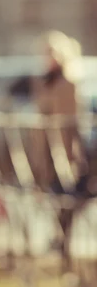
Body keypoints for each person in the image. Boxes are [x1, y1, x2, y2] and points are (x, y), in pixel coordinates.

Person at [29, 31, 89, 266]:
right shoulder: (46, 80)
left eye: (51, 53)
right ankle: (59, 239)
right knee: (55, 196)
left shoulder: (67, 82)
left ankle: (63, 241)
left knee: (66, 195)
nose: (47, 58)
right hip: (46, 147)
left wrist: (67, 154)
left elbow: (68, 123)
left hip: (62, 149)